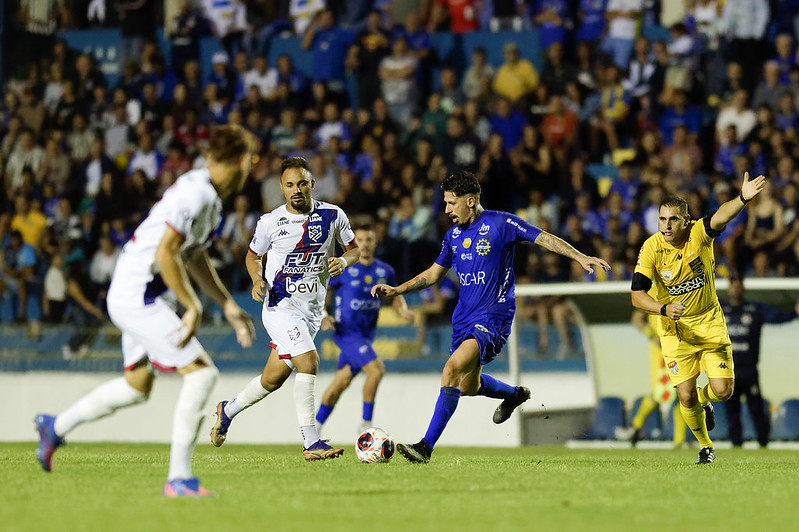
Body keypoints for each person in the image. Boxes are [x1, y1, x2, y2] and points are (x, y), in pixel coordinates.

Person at [34, 125, 258, 497]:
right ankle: (179, 479)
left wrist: (228, 305)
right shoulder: (196, 193)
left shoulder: (210, 199)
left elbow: (193, 254)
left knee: (137, 386)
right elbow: (165, 253)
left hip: (140, 289)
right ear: (236, 162)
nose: (250, 169)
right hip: (136, 292)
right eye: (248, 162)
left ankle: (54, 426)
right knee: (202, 375)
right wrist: (192, 305)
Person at [371, 171, 610, 463]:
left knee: (450, 370)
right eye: (445, 203)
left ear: (470, 201)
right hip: (463, 318)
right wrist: (398, 290)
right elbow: (433, 274)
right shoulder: (453, 236)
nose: (446, 210)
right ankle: (514, 394)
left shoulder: (501, 223)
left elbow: (543, 238)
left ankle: (425, 447)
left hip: (494, 315)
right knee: (467, 386)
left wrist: (579, 257)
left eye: (451, 203)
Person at [210, 157, 359, 461]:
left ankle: (227, 410)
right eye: (290, 184)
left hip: (312, 311)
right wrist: (255, 279)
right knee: (308, 361)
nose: (296, 190)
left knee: (272, 379)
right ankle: (312, 442)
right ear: (281, 187)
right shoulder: (270, 222)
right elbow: (253, 256)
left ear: (311, 184)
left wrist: (343, 261)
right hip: (280, 306)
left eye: (302, 183)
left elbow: (353, 249)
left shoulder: (333, 215)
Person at [631, 171, 766, 464]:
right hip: (674, 329)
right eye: (662, 219)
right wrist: (663, 309)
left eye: (673, 219)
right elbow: (637, 296)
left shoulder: (699, 234)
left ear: (686, 220)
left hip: (708, 321)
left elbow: (720, 217)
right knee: (685, 396)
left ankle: (706, 402)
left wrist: (742, 198)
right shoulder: (651, 248)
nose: (667, 226)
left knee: (723, 390)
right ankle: (706, 446)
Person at [315, 224, 415, 434]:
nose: (365, 245)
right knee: (377, 370)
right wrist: (324, 317)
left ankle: (314, 427)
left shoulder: (385, 270)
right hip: (347, 333)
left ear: (375, 242)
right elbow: (322, 296)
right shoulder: (342, 269)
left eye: (369, 240)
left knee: (340, 383)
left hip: (366, 336)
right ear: (353, 244)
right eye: (359, 240)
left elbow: (394, 296)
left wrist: (402, 310)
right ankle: (366, 426)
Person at [721, 277, 799, 447]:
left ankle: (763, 444)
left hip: (749, 370)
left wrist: (794, 312)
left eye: (738, 285)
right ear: (728, 290)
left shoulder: (754, 309)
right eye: (732, 285)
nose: (735, 288)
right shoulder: (720, 311)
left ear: (743, 289)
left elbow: (777, 317)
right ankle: (736, 445)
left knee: (756, 409)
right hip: (727, 371)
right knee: (731, 410)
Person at [615, 308, 687, 448]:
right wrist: (651, 335)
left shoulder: (680, 290)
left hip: (678, 349)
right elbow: (636, 319)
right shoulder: (651, 293)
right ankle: (636, 426)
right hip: (659, 352)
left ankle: (679, 441)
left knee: (682, 393)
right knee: (658, 393)